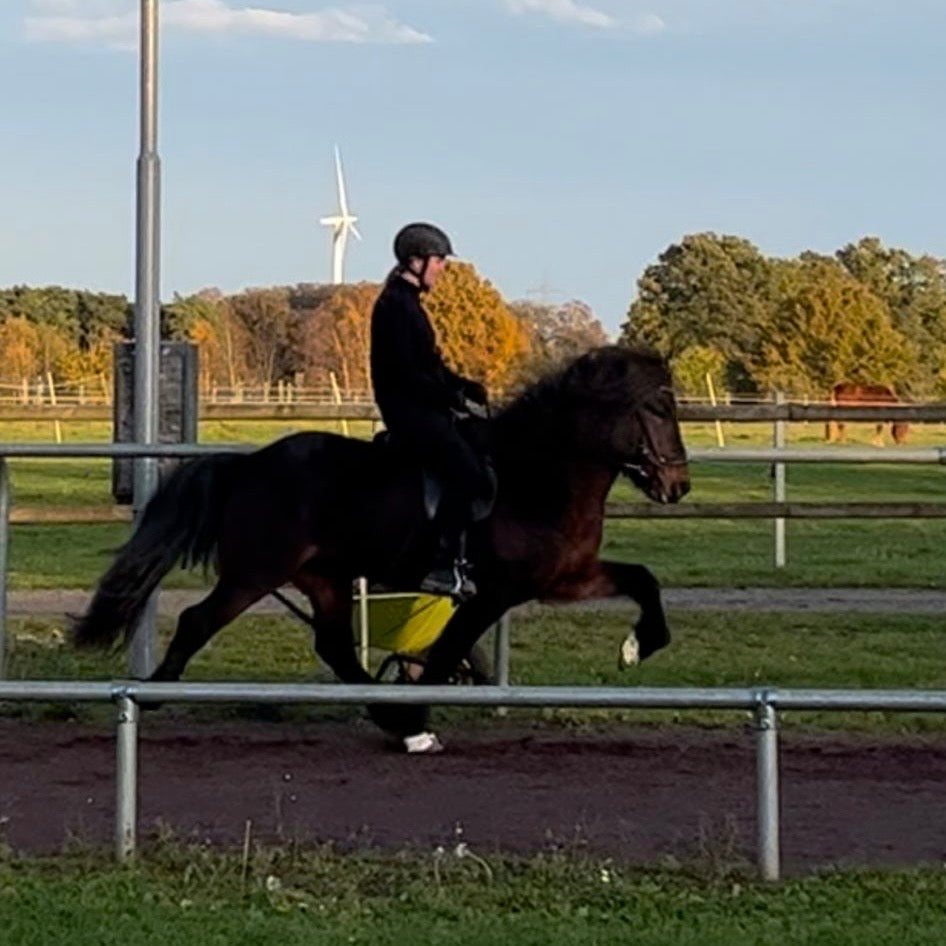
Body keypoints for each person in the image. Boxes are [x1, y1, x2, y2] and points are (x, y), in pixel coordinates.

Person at [370, 222, 490, 599]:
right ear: (415, 261)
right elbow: (407, 372)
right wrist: (448, 398)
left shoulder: (409, 304)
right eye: (439, 261)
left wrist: (462, 385)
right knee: (470, 477)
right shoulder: (396, 306)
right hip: (410, 412)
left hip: (422, 405)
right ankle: (440, 564)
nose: (442, 269)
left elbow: (430, 366)